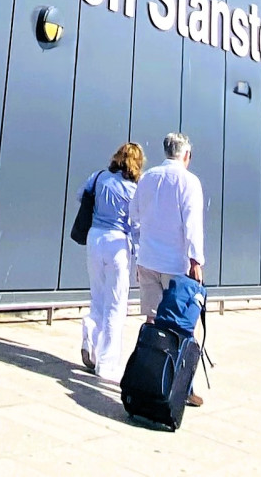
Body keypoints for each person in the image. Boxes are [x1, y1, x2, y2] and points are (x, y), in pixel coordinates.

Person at [133, 132, 206, 407]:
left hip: (148, 259)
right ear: (185, 155)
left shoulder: (148, 178)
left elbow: (134, 215)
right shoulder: (190, 182)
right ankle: (180, 385)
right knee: (180, 324)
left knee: (152, 322)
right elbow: (192, 224)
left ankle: (148, 377)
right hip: (175, 264)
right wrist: (196, 260)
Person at [79, 142, 143, 381]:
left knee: (97, 296)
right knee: (116, 305)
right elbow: (136, 226)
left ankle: (90, 331)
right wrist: (139, 256)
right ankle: (107, 365)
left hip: (94, 237)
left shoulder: (98, 177)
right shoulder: (133, 190)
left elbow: (80, 196)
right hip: (118, 244)